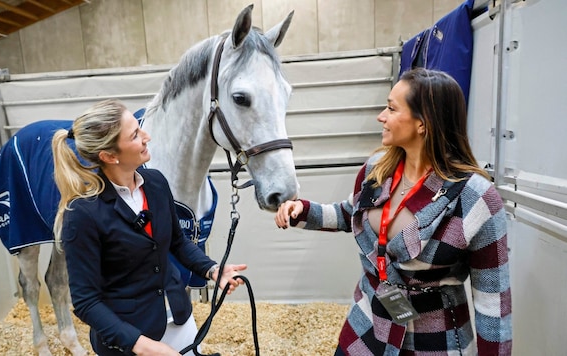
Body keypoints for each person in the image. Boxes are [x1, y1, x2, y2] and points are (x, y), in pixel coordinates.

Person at [275, 68, 512, 355]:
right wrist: (302, 210)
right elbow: (349, 214)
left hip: (435, 340)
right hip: (366, 324)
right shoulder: (377, 169)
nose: (381, 116)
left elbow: (493, 305)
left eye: (391, 108)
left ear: (422, 123)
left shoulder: (477, 198)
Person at [52, 99, 246, 356]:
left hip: (178, 319)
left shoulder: (155, 182)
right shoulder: (82, 214)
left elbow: (178, 242)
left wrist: (211, 270)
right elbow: (86, 302)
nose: (147, 136)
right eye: (134, 134)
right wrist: (142, 346)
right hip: (128, 339)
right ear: (109, 156)